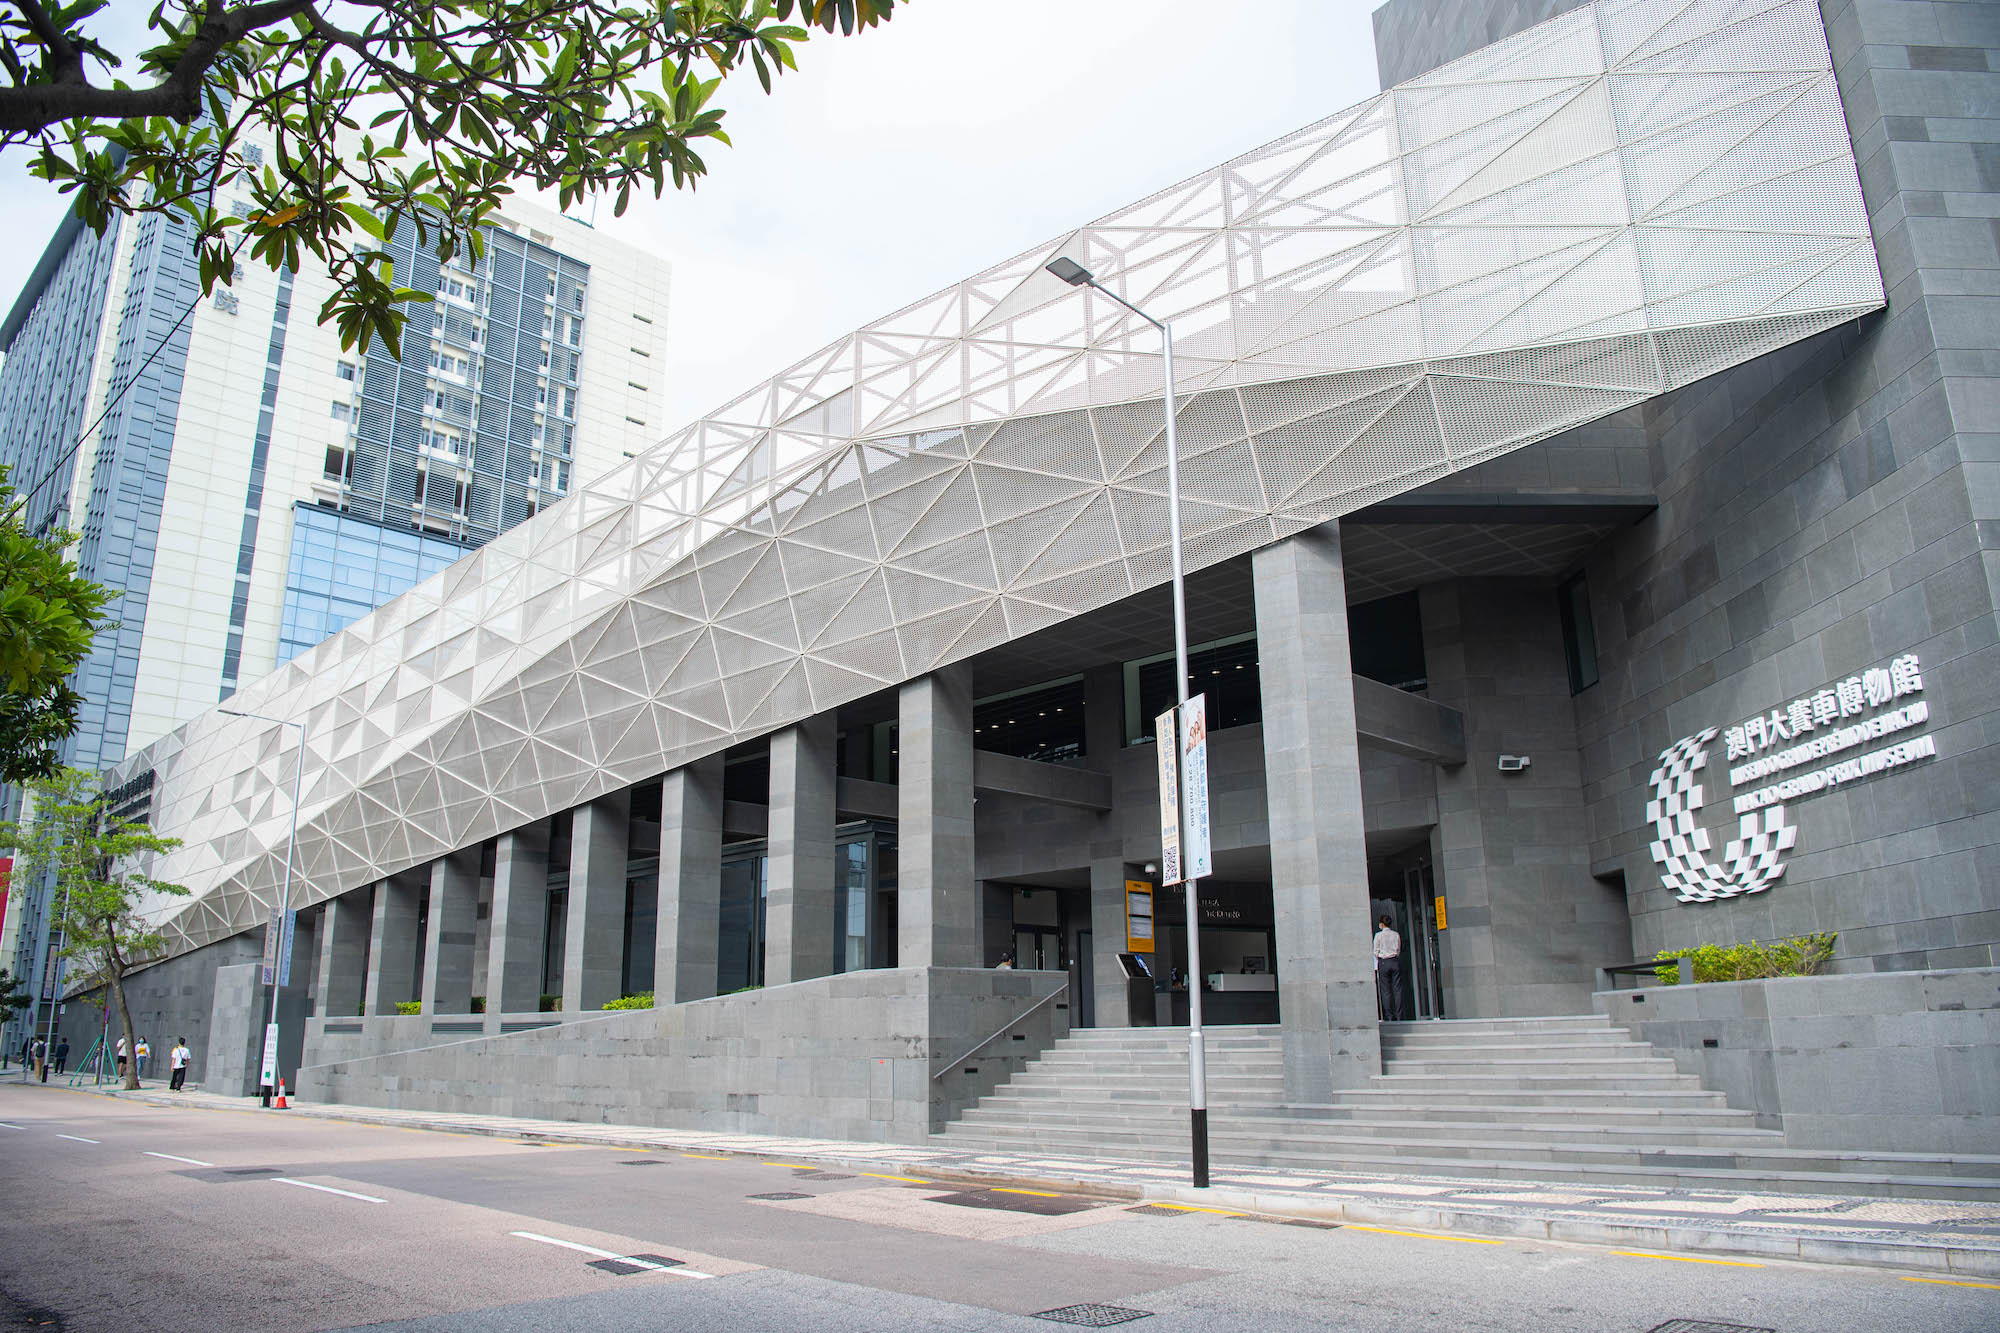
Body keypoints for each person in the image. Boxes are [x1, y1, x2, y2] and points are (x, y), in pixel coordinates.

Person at [1374, 913, 1404, 1022]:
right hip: (1394, 961)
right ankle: (1399, 1015)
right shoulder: (1396, 935)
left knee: (1386, 990)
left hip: (1384, 962)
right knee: (1397, 989)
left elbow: (1375, 951)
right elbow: (1398, 949)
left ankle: (1389, 1016)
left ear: (1381, 924)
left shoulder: (1378, 936)